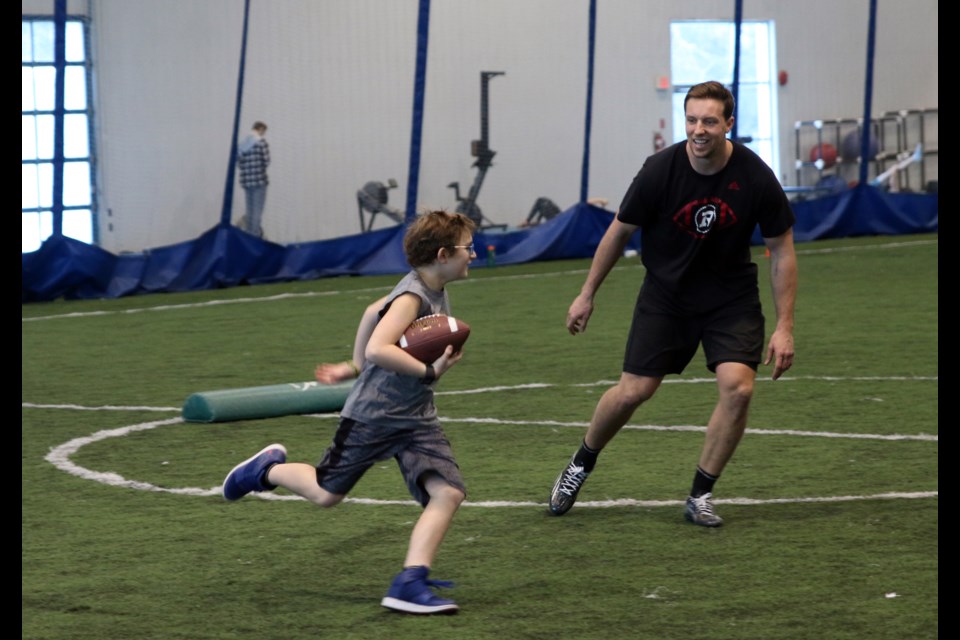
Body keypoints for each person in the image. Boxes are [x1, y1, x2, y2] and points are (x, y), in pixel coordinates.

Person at [548, 81, 798, 527]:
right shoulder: (659, 170)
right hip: (667, 297)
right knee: (633, 393)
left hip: (730, 298)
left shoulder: (754, 175)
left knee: (739, 388)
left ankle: (700, 494)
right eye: (692, 120)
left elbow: (781, 249)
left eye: (709, 121)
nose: (698, 130)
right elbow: (618, 232)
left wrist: (785, 326)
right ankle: (582, 462)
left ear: (728, 124)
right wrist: (586, 294)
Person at [222, 210, 478, 614]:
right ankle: (266, 470)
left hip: (414, 417)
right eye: (468, 248)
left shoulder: (431, 286)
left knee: (448, 492)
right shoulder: (413, 296)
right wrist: (427, 370)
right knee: (326, 494)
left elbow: (371, 311)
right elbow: (381, 346)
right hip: (373, 415)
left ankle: (410, 582)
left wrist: (353, 364)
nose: (474, 255)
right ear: (444, 253)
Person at [236, 121, 270, 237]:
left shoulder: (243, 144)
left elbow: (238, 163)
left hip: (246, 182)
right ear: (260, 129)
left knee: (250, 210)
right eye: (263, 131)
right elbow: (267, 161)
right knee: (257, 211)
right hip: (259, 181)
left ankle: (248, 236)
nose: (263, 134)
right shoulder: (261, 142)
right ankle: (255, 237)